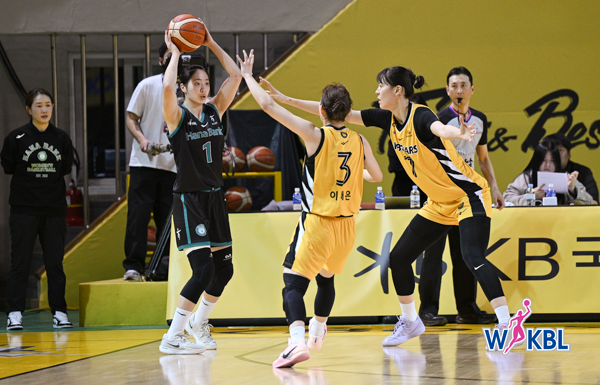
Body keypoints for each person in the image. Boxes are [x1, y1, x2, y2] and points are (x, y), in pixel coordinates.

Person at [342, 66, 511, 346]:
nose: (376, 91)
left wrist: (458, 134)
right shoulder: (386, 119)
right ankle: (411, 321)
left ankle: (507, 324)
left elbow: (440, 129)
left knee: (472, 256)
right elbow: (343, 115)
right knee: (398, 258)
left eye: (380, 85)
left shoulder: (422, 115)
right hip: (439, 202)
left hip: (468, 194)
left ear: (397, 90)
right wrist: (282, 101)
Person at [238, 50, 382, 368]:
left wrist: (247, 76)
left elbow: (268, 106)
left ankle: (296, 342)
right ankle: (317, 329)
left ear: (321, 110)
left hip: (318, 223)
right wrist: (351, 173)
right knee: (326, 279)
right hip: (347, 227)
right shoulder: (360, 142)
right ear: (348, 112)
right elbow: (376, 176)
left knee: (293, 283)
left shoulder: (314, 135)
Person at [158, 22, 242, 354]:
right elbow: (166, 87)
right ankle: (172, 336)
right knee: (204, 269)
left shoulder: (214, 110)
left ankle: (198, 322)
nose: (204, 88)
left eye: (207, 83)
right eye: (197, 83)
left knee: (224, 270)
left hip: (215, 198)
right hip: (189, 200)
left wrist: (211, 42)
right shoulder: (176, 116)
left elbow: (235, 76)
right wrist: (176, 53)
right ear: (184, 87)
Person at [419, 67, 501, 327]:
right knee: (433, 255)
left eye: (463, 85)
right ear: (447, 90)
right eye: (454, 86)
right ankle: (427, 310)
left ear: (472, 89)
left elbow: (483, 158)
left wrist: (495, 187)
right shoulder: (439, 120)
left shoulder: (480, 120)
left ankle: (466, 309)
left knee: (466, 254)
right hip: (442, 194)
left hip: (468, 196)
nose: (459, 90)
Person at [1, 88, 74, 330]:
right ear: (28, 109)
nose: (44, 110)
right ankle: (14, 313)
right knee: (20, 263)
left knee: (55, 263)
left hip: (54, 210)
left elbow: (64, 169)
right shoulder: (16, 138)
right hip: (24, 209)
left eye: (48, 105)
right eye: (39, 105)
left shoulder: (61, 138)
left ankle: (60, 312)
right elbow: (9, 167)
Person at [123, 43, 177, 282]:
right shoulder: (147, 85)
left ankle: (162, 267)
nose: (174, 60)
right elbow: (131, 118)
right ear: (160, 60)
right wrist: (143, 140)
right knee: (138, 217)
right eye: (170, 56)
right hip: (143, 164)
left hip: (173, 167)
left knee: (168, 221)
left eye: (178, 57)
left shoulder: (187, 90)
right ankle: (133, 266)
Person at [503, 140, 593, 205]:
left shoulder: (566, 178)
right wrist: (531, 196)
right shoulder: (526, 177)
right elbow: (506, 200)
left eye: (552, 160)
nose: (548, 165)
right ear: (537, 161)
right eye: (544, 160)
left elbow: (590, 203)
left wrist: (573, 190)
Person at [543, 133, 598, 204]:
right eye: (552, 150)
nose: (555, 154)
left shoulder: (582, 172)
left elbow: (594, 203)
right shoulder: (532, 173)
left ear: (569, 153)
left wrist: (573, 191)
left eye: (560, 150)